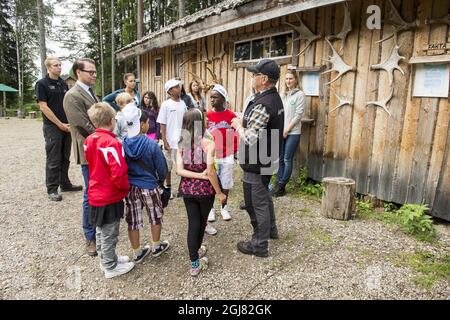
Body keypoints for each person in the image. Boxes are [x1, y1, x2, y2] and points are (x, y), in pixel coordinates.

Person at [231, 59, 284, 257]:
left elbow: (251, 137)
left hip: (257, 162)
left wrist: (237, 125)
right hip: (267, 159)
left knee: (256, 203)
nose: (252, 78)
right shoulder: (273, 98)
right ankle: (271, 230)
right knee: (265, 198)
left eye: (254, 75)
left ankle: (259, 245)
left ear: (263, 79)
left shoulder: (264, 104)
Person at [84, 102, 135, 279]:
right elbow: (118, 171)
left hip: (95, 192)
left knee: (100, 229)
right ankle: (110, 266)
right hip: (109, 195)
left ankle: (107, 258)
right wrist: (125, 188)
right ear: (112, 120)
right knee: (109, 232)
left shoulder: (90, 139)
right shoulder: (111, 143)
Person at [176, 108, 227, 276]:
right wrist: (219, 193)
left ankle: (194, 262)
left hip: (187, 190)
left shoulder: (181, 143)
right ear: (200, 122)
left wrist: (195, 175)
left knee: (193, 224)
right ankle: (196, 256)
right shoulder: (208, 144)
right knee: (201, 222)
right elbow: (211, 171)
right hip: (205, 191)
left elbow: (179, 171)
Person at [122, 108, 170, 263]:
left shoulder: (123, 144)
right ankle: (156, 246)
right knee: (155, 216)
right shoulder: (151, 144)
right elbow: (162, 168)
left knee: (133, 220)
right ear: (141, 125)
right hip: (149, 186)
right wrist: (161, 181)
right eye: (147, 122)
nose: (149, 124)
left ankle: (136, 252)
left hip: (130, 187)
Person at [63, 57, 99, 257]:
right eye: (90, 72)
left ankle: (101, 225)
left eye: (94, 72)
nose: (94, 75)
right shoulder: (72, 95)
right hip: (89, 151)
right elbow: (83, 126)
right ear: (78, 72)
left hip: (100, 147)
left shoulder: (90, 92)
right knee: (90, 194)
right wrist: (106, 135)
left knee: (100, 190)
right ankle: (90, 236)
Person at [35, 56, 82, 202]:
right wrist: (59, 124)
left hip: (67, 126)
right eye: (56, 65)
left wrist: (69, 124)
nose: (59, 67)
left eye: (60, 65)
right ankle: (52, 188)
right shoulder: (42, 84)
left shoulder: (63, 83)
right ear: (48, 68)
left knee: (65, 156)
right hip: (52, 127)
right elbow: (43, 106)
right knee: (53, 158)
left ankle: (65, 184)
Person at [206, 84, 237, 222]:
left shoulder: (230, 115)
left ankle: (224, 207)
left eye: (215, 97)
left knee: (226, 181)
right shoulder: (207, 115)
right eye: (211, 97)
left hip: (227, 153)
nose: (212, 99)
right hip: (211, 154)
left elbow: (235, 133)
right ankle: (210, 209)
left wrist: (233, 149)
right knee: (211, 181)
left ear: (223, 98)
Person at [271, 69, 304, 197]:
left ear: (296, 80)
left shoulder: (299, 95)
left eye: (291, 78)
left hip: (293, 132)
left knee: (287, 158)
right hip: (281, 131)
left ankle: (282, 185)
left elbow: (298, 115)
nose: (288, 81)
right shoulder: (283, 95)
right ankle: (278, 182)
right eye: (286, 78)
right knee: (279, 158)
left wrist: (287, 129)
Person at [156, 78, 187, 199]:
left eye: (179, 86)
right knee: (167, 166)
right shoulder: (166, 104)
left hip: (181, 140)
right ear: (169, 91)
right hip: (169, 140)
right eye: (176, 87)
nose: (179, 88)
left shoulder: (183, 103)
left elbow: (185, 121)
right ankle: (167, 187)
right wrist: (164, 140)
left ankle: (183, 188)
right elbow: (162, 123)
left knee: (183, 164)